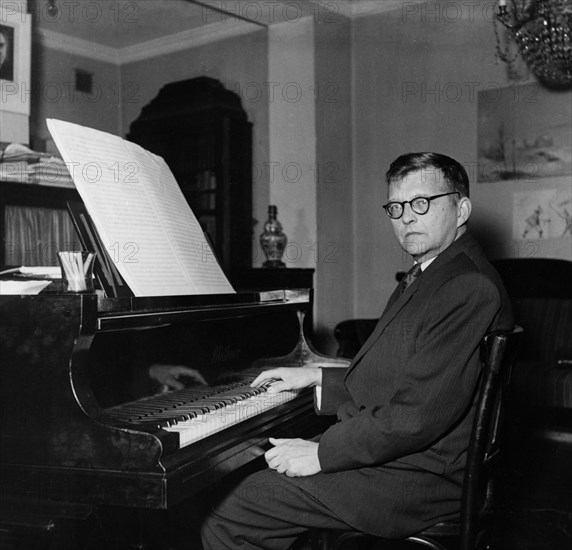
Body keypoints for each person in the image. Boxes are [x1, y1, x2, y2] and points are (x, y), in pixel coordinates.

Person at [200, 152, 514, 550]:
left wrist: (321, 454)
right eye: (396, 207)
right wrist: (318, 376)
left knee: (232, 510)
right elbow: (403, 375)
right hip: (412, 459)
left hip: (421, 478)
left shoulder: (465, 286)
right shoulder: (437, 271)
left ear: (461, 208)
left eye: (422, 203)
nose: (407, 218)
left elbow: (416, 417)